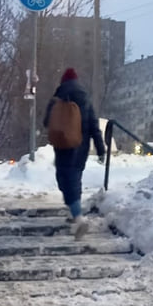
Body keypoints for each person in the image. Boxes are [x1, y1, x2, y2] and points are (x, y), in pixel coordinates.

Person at [43, 68, 106, 238]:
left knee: (65, 179)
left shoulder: (59, 95)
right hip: (81, 146)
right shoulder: (86, 98)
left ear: (63, 81)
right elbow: (94, 125)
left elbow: (46, 121)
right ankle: (74, 214)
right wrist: (101, 149)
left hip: (64, 145)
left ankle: (78, 217)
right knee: (75, 178)